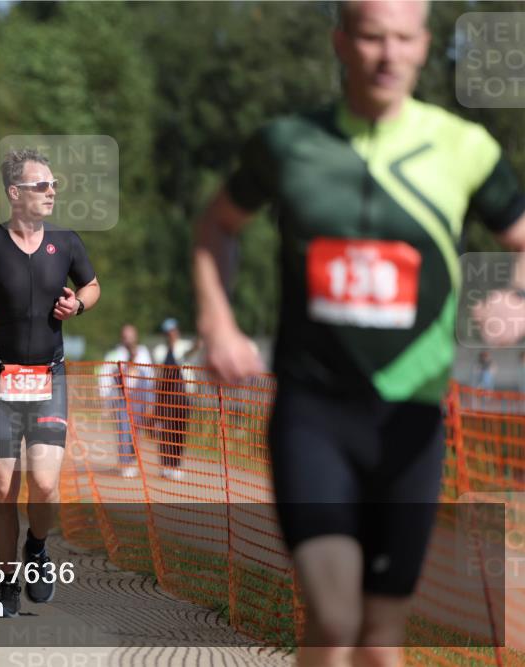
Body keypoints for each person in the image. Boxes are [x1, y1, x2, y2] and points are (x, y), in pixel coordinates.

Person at [191, 2, 525, 664]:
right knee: (337, 614)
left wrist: (516, 301)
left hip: (412, 423)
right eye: (372, 37)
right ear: (341, 41)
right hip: (314, 415)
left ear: (424, 46)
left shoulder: (465, 149)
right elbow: (215, 226)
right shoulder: (287, 144)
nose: (387, 54)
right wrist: (217, 319)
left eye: (403, 39)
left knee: (379, 637)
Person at [0, 148, 101, 617]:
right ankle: (8, 579)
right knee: (1, 483)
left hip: (48, 374)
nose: (51, 191)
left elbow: (93, 287)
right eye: (41, 185)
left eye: (54, 185)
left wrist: (78, 305)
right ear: (15, 194)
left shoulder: (67, 242)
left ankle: (36, 546)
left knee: (44, 482)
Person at [100, 323, 153, 478]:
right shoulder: (114, 354)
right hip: (121, 399)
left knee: (136, 433)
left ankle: (132, 461)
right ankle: (125, 462)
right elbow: (105, 379)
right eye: (125, 335)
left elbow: (149, 378)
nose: (128, 338)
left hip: (139, 400)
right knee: (123, 431)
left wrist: (150, 402)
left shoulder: (143, 353)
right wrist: (105, 401)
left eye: (131, 334)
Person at [152, 318, 199, 481]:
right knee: (166, 432)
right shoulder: (160, 350)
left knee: (179, 431)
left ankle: (176, 465)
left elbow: (193, 349)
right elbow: (161, 373)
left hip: (184, 397)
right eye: (168, 331)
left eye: (173, 330)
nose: (172, 334)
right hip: (166, 397)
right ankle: (166, 465)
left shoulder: (184, 346)